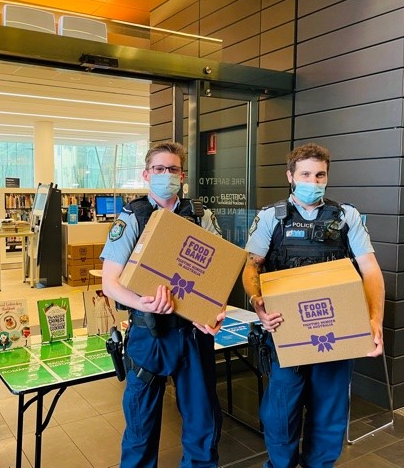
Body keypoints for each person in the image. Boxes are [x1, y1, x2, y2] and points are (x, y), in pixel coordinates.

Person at [242, 143, 385, 468]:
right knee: (281, 416)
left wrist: (375, 319)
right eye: (305, 174)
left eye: (320, 175)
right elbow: (252, 267)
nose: (313, 181)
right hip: (285, 335)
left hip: (334, 338)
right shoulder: (271, 218)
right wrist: (257, 302)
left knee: (329, 419)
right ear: (291, 176)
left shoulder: (347, 217)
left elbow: (371, 269)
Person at [100, 141, 226, 468]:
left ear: (182, 175)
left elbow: (218, 277)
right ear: (146, 174)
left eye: (172, 169)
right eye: (159, 169)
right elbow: (110, 283)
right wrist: (143, 302)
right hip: (148, 335)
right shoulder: (132, 217)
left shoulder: (200, 216)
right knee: (141, 429)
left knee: (203, 427)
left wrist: (216, 311)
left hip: (193, 335)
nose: (166, 175)